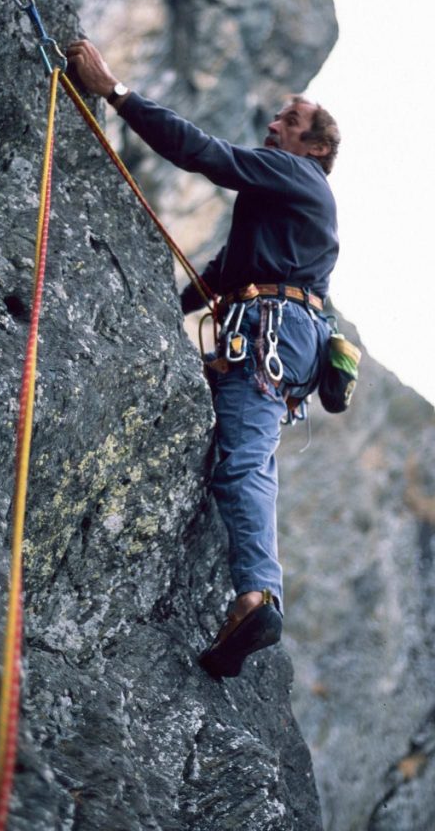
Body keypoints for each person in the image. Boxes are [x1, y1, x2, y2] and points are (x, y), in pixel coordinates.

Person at [65, 39, 340, 678]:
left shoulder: (299, 177)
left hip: (275, 329)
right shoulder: (283, 207)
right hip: (285, 328)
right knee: (246, 456)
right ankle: (252, 596)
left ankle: (257, 597)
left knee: (243, 460)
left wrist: (115, 92)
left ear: (317, 148)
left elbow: (206, 155)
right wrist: (167, 309)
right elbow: (222, 273)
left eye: (289, 123)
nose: (273, 126)